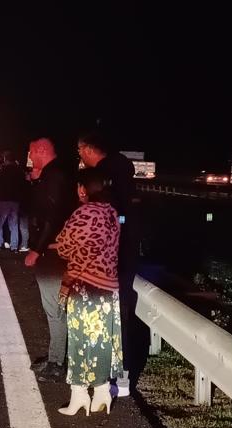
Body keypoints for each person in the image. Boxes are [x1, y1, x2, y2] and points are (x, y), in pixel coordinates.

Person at [77, 130, 147, 395]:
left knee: (106, 317)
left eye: (80, 151)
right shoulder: (123, 172)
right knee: (121, 315)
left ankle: (110, 378)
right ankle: (122, 377)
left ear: (88, 149)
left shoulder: (103, 182)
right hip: (126, 254)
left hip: (108, 260)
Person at [53, 167, 123, 416]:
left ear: (83, 189)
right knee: (101, 340)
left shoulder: (85, 213)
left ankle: (80, 395)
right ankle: (102, 393)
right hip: (108, 287)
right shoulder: (111, 213)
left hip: (85, 285)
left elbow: (63, 246)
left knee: (80, 341)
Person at [24, 138, 79, 382]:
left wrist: (37, 249)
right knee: (55, 308)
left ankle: (57, 363)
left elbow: (52, 216)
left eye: (31, 152)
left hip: (54, 252)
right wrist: (36, 181)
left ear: (42, 151)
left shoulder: (55, 175)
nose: (29, 157)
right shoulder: (51, 174)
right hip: (53, 249)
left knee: (55, 309)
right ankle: (55, 356)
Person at [0, 151, 25, 253]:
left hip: (3, 199)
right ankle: (14, 246)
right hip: (15, 200)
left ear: (5, 159)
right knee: (14, 225)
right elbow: (22, 185)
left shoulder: (4, 169)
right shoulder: (19, 170)